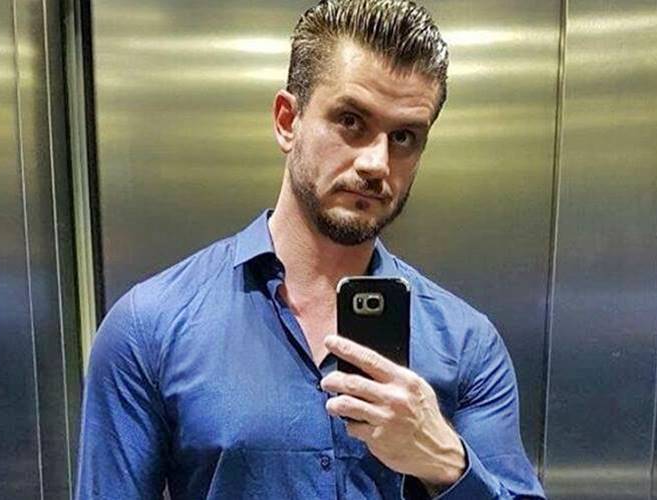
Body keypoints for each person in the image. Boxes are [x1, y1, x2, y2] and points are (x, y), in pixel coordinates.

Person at [75, 1, 546, 498]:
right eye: (351, 121)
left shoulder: (466, 344)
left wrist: (446, 462)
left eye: (404, 136)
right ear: (287, 120)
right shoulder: (151, 327)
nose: (376, 163)